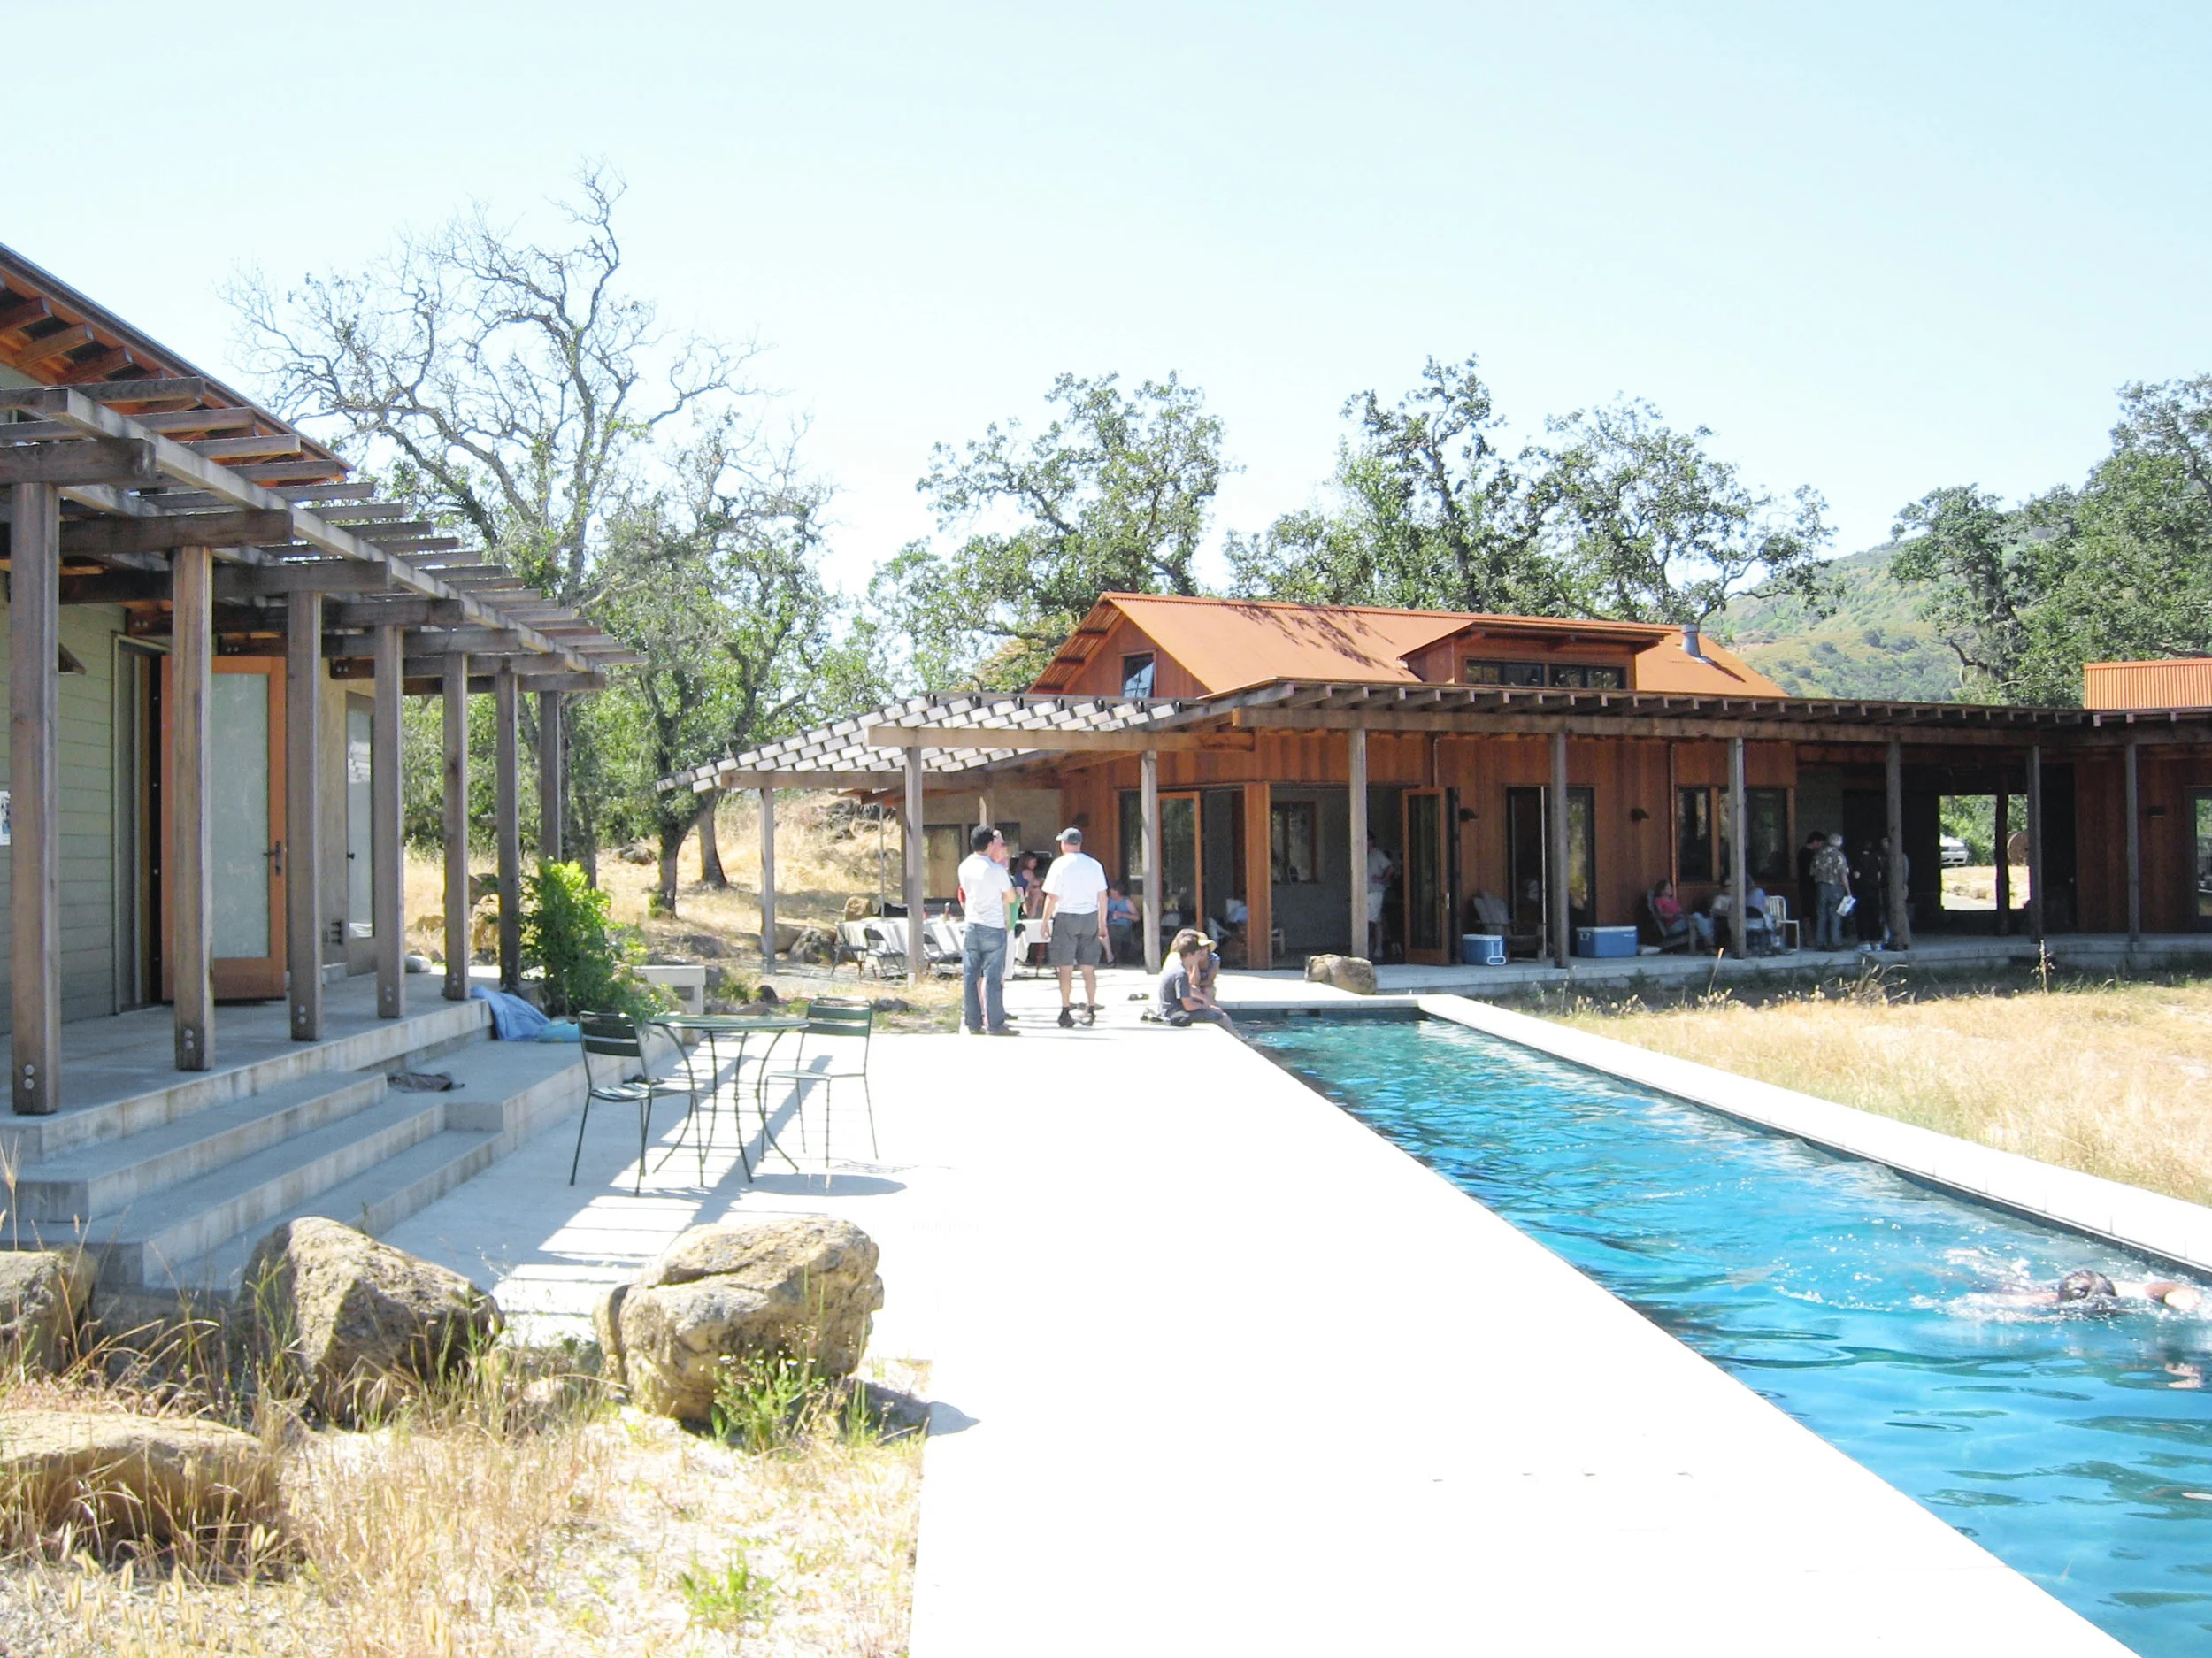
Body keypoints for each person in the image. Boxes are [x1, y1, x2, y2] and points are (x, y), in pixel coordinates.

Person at [1041, 826, 1110, 1028]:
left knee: (1065, 967)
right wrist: (1102, 923)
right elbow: (1102, 896)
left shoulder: (1059, 865)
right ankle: (1090, 1007)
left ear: (1064, 844)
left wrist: (1045, 921)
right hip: (1089, 916)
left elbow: (1052, 896)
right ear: (1079, 843)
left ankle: (1065, 1009)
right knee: (1088, 967)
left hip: (1066, 915)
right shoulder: (1094, 865)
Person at [955, 825, 1020, 1036]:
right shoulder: (995, 870)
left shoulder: (964, 866)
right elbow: (1011, 897)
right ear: (990, 844)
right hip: (993, 925)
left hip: (972, 923)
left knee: (971, 975)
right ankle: (995, 1023)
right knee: (993, 977)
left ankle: (972, 1021)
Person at [1155, 930, 1232, 1026]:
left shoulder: (1178, 967)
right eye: (1198, 953)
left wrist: (1204, 998)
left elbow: (1189, 988)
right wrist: (1206, 1006)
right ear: (1190, 954)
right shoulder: (1181, 973)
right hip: (1174, 1014)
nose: (1200, 957)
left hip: (1169, 1011)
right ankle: (1235, 1035)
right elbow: (1188, 1006)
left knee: (1218, 1014)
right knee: (1221, 1017)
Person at [1808, 832, 1852, 950]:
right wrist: (1848, 891)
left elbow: (1811, 872)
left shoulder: (1819, 854)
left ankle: (1820, 942)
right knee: (1835, 915)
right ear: (1839, 843)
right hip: (1835, 887)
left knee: (1821, 915)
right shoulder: (1839, 856)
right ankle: (1835, 942)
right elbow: (1843, 875)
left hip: (1821, 887)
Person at [1364, 834, 1395, 958]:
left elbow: (1391, 868)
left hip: (1375, 891)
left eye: (1367, 840)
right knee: (1376, 920)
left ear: (1371, 841)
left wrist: (1382, 879)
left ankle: (1372, 948)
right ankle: (1376, 949)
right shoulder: (1363, 854)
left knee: (1371, 921)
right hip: (1365, 892)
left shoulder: (1377, 854)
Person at [1104, 883, 1139, 962]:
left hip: (1122, 926)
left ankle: (1115, 956)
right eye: (1111, 893)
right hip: (1110, 924)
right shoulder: (1109, 900)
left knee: (1113, 933)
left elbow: (1137, 918)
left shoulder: (1127, 902)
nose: (1113, 895)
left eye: (1115, 894)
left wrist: (1122, 914)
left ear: (1120, 893)